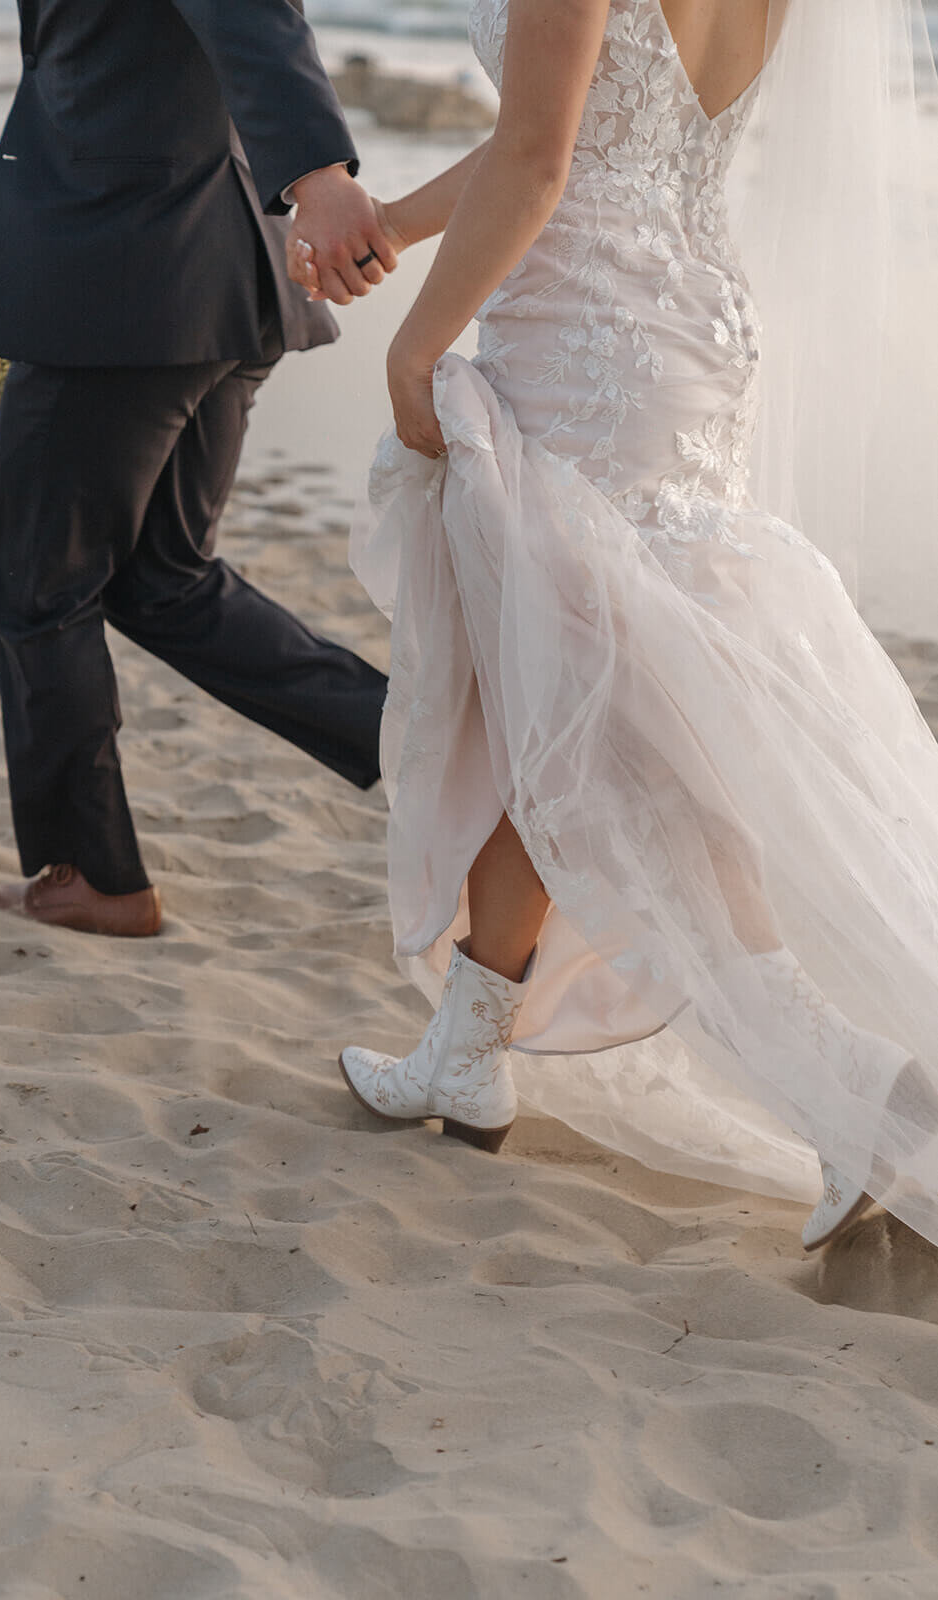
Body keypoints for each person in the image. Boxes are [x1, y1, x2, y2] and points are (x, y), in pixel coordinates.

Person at [291, 0, 938, 1252]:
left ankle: (855, 1088)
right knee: (555, 686)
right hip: (688, 332)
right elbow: (580, 130)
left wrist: (416, 345)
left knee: (618, 733)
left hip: (583, 340)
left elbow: (544, 159)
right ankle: (466, 1049)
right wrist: (394, 230)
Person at [0, 0, 397, 938]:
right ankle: (420, 742)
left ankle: (96, 879)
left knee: (37, 583)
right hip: (207, 275)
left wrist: (319, 175)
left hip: (129, 280)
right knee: (164, 578)